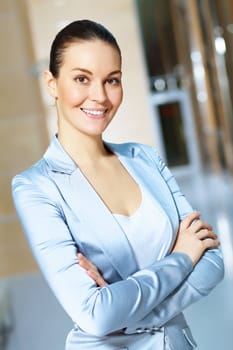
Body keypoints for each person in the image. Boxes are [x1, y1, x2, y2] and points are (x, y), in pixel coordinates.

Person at [12, 19, 224, 350]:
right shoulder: (36, 187)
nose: (100, 96)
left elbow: (212, 263)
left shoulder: (146, 159)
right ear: (51, 83)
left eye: (112, 80)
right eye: (82, 78)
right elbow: (95, 316)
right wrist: (182, 257)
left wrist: (124, 313)